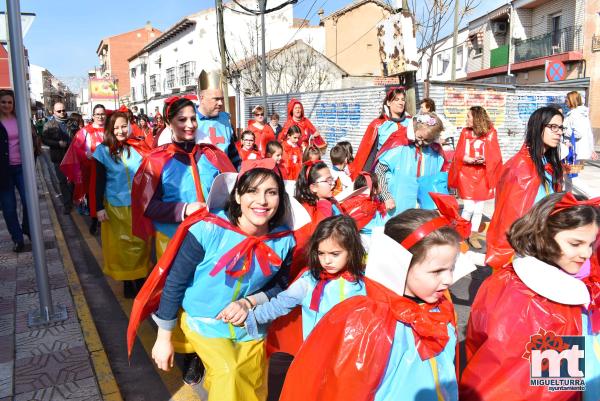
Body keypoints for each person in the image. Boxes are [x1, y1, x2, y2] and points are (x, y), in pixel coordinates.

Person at [279, 193, 470, 401]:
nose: (449, 280)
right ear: (401, 264)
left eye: (451, 268)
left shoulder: (440, 309)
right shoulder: (370, 321)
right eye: (437, 271)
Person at [144, 162, 297, 401]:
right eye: (252, 191)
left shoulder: (285, 240)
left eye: (271, 192)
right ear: (237, 195)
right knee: (230, 373)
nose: (263, 201)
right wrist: (163, 338)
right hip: (203, 321)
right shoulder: (207, 229)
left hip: (251, 323)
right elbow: (175, 282)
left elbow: (280, 285)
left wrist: (248, 302)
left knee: (253, 383)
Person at [131, 96, 236, 385]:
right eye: (182, 120)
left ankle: (206, 349)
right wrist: (183, 209)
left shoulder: (213, 154)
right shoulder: (156, 160)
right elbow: (147, 206)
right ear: (169, 123)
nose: (189, 125)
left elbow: (230, 187)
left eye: (193, 119)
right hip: (174, 239)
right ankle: (187, 353)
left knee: (210, 291)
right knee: (177, 296)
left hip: (212, 238)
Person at [461, 192, 600, 401]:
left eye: (591, 244)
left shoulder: (513, 278)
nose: (587, 253)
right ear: (543, 234)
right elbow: (554, 387)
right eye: (575, 243)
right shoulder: (540, 305)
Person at [486, 106, 564, 270]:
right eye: (553, 127)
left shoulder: (547, 163)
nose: (559, 132)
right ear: (538, 127)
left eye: (561, 127)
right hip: (525, 247)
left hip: (543, 241)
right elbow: (508, 219)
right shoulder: (520, 168)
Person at [93, 111, 152, 298]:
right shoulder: (102, 152)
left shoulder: (138, 147)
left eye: (123, 126)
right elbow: (98, 182)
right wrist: (99, 208)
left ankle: (141, 277)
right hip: (115, 206)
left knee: (141, 243)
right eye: (116, 127)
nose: (120, 130)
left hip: (138, 206)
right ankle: (127, 281)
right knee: (122, 246)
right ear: (110, 129)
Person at [156, 71, 241, 167]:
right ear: (202, 98)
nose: (221, 103)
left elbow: (234, 156)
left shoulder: (225, 120)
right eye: (216, 99)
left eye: (221, 99)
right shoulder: (187, 122)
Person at [448, 106, 502, 249]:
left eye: (469, 116)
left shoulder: (490, 133)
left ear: (477, 118)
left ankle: (473, 235)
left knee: (479, 209)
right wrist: (469, 159)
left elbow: (496, 155)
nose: (466, 119)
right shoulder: (465, 132)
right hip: (466, 173)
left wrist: (484, 159)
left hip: (483, 174)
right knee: (468, 208)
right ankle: (460, 234)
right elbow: (459, 154)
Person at [374, 112, 449, 216]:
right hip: (397, 208)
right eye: (420, 137)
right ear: (414, 130)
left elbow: (439, 180)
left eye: (427, 140)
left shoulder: (436, 153)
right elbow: (379, 171)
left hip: (424, 211)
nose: (421, 142)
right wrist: (386, 197)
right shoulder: (399, 146)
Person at [60, 104, 106, 234]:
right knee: (93, 194)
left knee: (106, 194)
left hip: (108, 168)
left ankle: (104, 220)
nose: (100, 116)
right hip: (91, 169)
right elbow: (76, 148)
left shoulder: (110, 129)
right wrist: (86, 154)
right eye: (97, 114)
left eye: (102, 114)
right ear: (93, 116)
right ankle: (94, 220)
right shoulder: (85, 131)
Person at [291, 161, 341, 280]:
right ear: (313, 187)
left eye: (332, 179)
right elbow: (322, 235)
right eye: (328, 181)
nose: (333, 184)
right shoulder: (307, 211)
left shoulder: (331, 201)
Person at [0, 89, 36, 252]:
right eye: (3, 102)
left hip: (22, 167)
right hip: (4, 171)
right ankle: (17, 238)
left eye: (9, 102)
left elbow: (32, 139)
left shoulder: (21, 118)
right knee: (9, 207)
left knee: (30, 201)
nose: (6, 105)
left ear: (14, 104)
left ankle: (27, 228)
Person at [350, 87, 411, 179]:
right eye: (397, 99)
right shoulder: (378, 125)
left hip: (407, 175)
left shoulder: (411, 123)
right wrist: (366, 179)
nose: (401, 102)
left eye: (403, 100)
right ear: (388, 102)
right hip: (385, 176)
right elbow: (370, 155)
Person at [340, 171, 388, 248]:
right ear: (374, 190)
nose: (381, 184)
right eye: (379, 182)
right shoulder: (368, 207)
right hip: (370, 243)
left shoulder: (358, 203)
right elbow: (379, 227)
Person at [42, 101, 73, 214]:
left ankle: (72, 200)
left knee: (72, 181)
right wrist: (57, 143)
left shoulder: (71, 123)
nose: (62, 113)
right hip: (58, 157)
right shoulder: (48, 125)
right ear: (53, 112)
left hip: (72, 157)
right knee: (63, 181)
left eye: (63, 110)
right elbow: (44, 139)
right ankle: (67, 204)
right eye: (59, 111)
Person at [564, 91, 597, 162]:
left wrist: (564, 132)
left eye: (566, 100)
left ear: (571, 101)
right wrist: (591, 149)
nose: (565, 102)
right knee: (575, 171)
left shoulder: (574, 114)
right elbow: (589, 133)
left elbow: (578, 133)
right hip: (579, 151)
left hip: (573, 151)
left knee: (571, 171)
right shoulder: (583, 114)